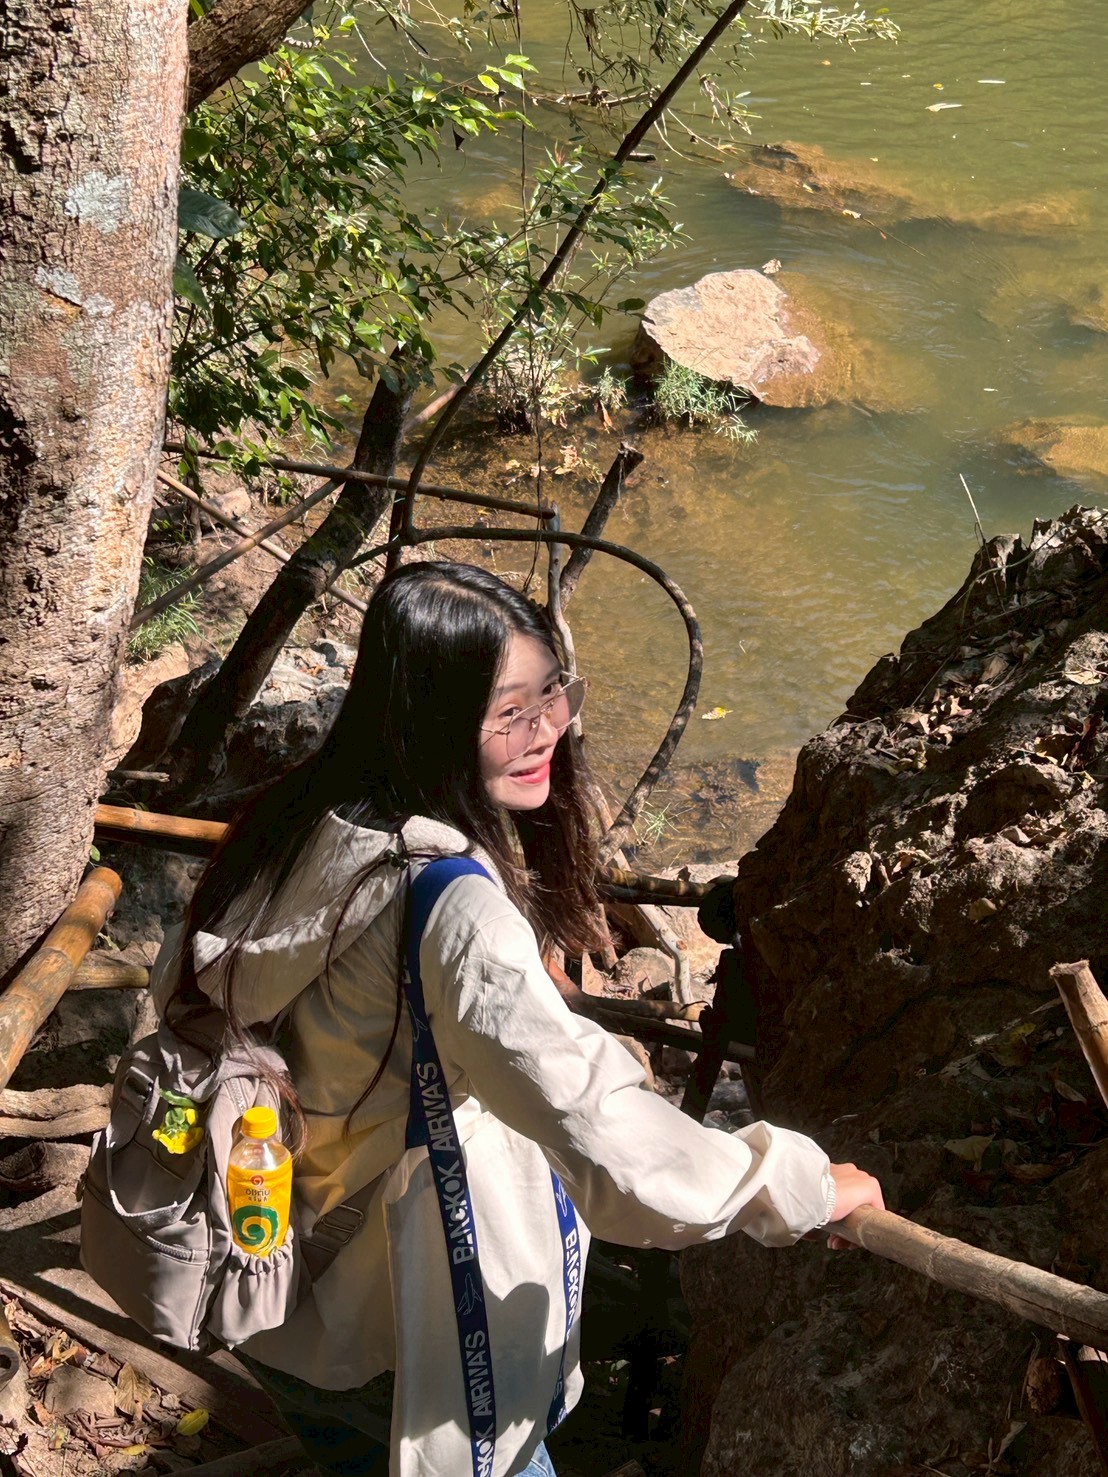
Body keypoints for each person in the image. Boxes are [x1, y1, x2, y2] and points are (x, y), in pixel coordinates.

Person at [154, 560, 883, 1477]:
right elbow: (604, 1138)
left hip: (270, 1285)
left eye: (553, 694)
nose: (547, 729)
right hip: (397, 1335)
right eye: (509, 711)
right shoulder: (450, 908)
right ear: (429, 718)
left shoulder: (296, 822)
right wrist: (796, 1181)